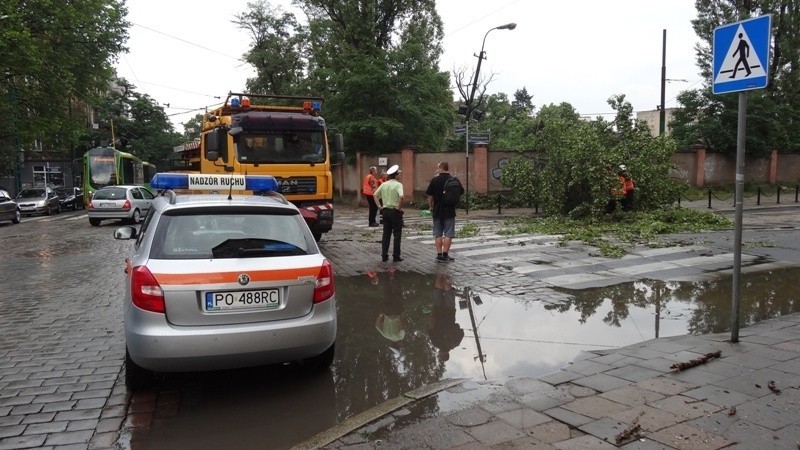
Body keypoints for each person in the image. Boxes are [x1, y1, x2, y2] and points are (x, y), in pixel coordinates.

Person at [425, 161, 464, 262]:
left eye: (438, 167)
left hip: (437, 210)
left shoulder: (435, 180)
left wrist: (430, 206)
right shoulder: (454, 179)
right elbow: (461, 191)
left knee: (438, 233)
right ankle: (445, 255)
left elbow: (430, 196)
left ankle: (439, 255)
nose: (437, 169)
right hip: (450, 210)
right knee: (448, 233)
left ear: (441, 168)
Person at [428, 273, 464, 363]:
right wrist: (431, 315)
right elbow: (431, 326)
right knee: (437, 291)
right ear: (443, 355)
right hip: (438, 312)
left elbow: (460, 329)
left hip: (449, 314)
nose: (438, 354)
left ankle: (447, 276)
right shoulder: (436, 343)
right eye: (439, 356)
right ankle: (440, 273)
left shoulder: (455, 343)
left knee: (449, 293)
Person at [373, 165, 404, 262]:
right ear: (396, 175)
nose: (400, 175)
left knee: (386, 234)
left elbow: (375, 195)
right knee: (397, 234)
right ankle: (396, 256)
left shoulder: (384, 184)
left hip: (385, 211)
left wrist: (379, 207)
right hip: (395, 211)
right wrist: (399, 208)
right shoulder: (399, 185)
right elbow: (401, 196)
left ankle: (384, 255)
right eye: (399, 174)